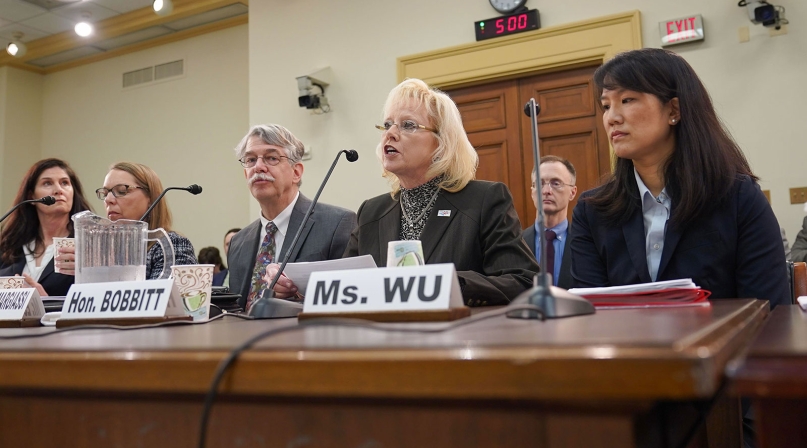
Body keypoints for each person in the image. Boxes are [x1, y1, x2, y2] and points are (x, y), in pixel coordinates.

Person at [271, 78, 538, 306]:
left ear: (442, 142)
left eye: (408, 125)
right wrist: (297, 289)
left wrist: (446, 284)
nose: (391, 134)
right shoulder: (372, 211)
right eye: (387, 125)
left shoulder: (484, 200)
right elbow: (345, 286)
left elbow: (523, 281)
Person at [570, 48, 789, 308]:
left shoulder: (738, 198)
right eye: (606, 106)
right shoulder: (592, 210)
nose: (612, 118)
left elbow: (768, 313)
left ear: (674, 109)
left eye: (627, 100)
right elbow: (588, 317)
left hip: (723, 347)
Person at [228, 124, 356, 312]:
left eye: (271, 158)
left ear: (296, 172)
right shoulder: (238, 242)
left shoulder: (338, 224)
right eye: (250, 160)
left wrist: (298, 294)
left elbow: (350, 297)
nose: (259, 167)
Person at [57, 162, 197, 279]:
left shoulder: (172, 244)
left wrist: (98, 272)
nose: (108, 200)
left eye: (122, 191)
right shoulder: (103, 252)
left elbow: (162, 304)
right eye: (105, 193)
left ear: (151, 198)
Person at [0, 158, 92, 296]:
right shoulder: (10, 244)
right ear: (31, 196)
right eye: (47, 183)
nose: (58, 190)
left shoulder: (88, 244)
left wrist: (44, 304)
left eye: (65, 183)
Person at [522, 156, 577, 289]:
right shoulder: (517, 242)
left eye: (556, 183)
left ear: (572, 192)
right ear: (532, 192)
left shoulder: (584, 242)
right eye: (540, 184)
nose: (546, 191)